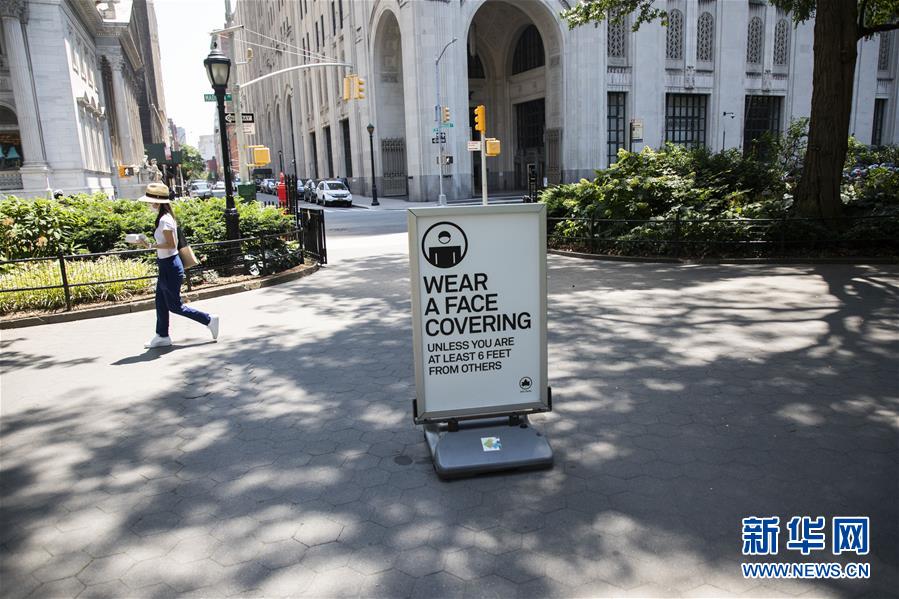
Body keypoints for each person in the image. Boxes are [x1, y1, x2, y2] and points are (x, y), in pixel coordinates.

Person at [137, 182, 219, 348]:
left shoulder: (165, 220)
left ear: (158, 201)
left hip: (170, 265)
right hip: (166, 265)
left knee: (175, 306)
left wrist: (150, 245)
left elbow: (171, 244)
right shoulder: (164, 218)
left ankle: (209, 319)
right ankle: (162, 335)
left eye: (151, 201)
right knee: (160, 302)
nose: (149, 204)